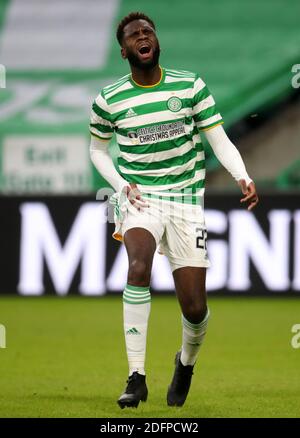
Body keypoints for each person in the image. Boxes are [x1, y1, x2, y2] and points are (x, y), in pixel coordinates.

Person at [89, 11, 258, 409]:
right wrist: (120, 186)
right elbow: (97, 150)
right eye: (134, 35)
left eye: (148, 31)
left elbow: (219, 139)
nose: (143, 37)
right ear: (123, 50)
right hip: (139, 197)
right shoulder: (109, 100)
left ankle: (185, 363)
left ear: (157, 41)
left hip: (185, 200)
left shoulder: (190, 86)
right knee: (137, 267)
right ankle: (136, 377)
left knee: (195, 309)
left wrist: (242, 175)